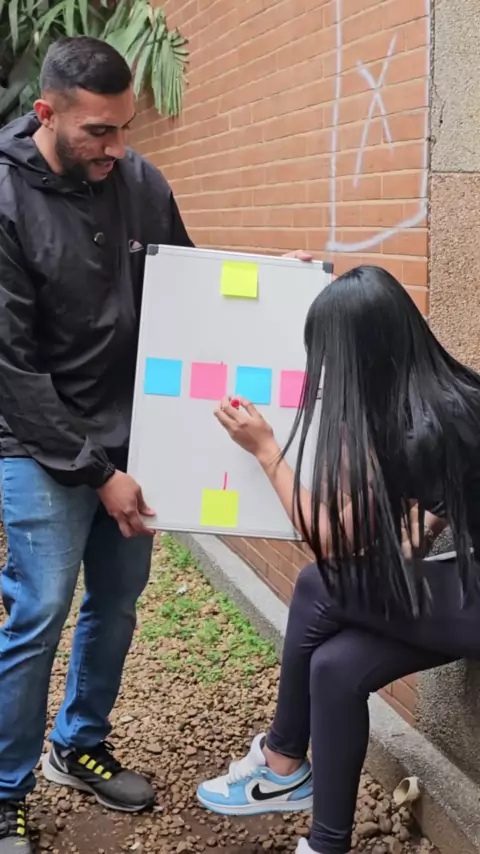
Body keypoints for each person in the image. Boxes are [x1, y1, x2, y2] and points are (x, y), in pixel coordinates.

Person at [0, 35, 310, 853]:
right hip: (35, 441)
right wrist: (97, 471)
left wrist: (279, 291)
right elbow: (12, 367)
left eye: (125, 128)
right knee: (39, 610)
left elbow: (191, 292)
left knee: (117, 599)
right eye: (98, 131)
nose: (117, 148)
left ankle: (78, 745)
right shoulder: (5, 198)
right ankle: (4, 790)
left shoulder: (139, 182)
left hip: (133, 436)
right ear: (47, 113)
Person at [196, 264, 480, 854]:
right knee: (335, 666)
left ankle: (281, 759)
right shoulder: (450, 395)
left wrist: (267, 450)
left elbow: (333, 543)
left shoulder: (414, 429)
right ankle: (326, 845)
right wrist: (418, 537)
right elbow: (453, 492)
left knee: (316, 584)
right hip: (466, 580)